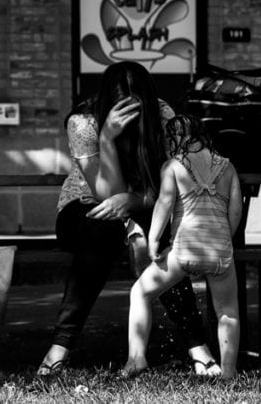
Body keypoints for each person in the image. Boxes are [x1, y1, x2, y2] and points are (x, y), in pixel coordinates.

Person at [37, 61, 220, 377]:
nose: (132, 117)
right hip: (84, 208)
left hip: (144, 202)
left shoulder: (164, 118)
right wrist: (107, 138)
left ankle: (198, 348)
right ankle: (59, 349)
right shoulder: (84, 123)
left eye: (138, 108)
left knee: (164, 236)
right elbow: (105, 193)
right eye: (123, 108)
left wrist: (133, 200)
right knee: (102, 230)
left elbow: (172, 190)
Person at [123, 114, 242, 380]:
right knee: (228, 311)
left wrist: (153, 242)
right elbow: (235, 212)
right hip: (220, 252)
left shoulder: (173, 166)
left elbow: (164, 205)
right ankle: (229, 372)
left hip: (183, 251)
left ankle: (136, 359)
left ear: (174, 139)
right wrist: (224, 240)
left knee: (140, 293)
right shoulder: (228, 167)